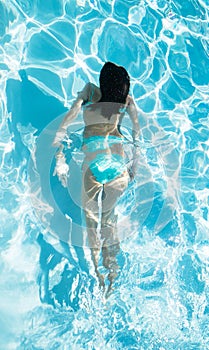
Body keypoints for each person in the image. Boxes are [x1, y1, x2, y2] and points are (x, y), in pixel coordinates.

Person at [53, 62, 140, 297]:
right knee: (109, 223)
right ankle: (113, 278)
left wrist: (60, 159)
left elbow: (66, 122)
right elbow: (136, 134)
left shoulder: (90, 91)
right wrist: (135, 166)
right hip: (118, 170)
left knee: (91, 226)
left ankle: (98, 279)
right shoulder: (126, 101)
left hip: (93, 167)